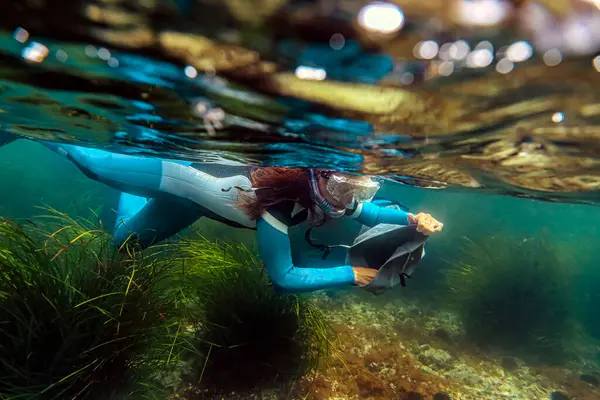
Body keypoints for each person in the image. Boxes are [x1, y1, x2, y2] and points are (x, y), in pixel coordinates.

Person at [12, 139, 444, 292]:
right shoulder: (279, 206)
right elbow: (284, 276)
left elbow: (369, 213)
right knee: (95, 165)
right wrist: (355, 275)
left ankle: (129, 192)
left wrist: (411, 220)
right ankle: (30, 128)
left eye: (358, 188)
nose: (347, 199)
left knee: (124, 243)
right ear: (315, 178)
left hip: (192, 204)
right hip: (175, 173)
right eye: (342, 187)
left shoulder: (335, 196)